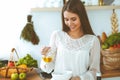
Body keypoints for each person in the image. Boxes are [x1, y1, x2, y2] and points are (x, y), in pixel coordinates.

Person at [40, 0, 101, 80]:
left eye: (73, 19)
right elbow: (48, 68)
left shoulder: (93, 40)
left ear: (82, 17)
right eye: (66, 19)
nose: (70, 23)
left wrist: (80, 78)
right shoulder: (57, 35)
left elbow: (95, 71)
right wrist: (45, 56)